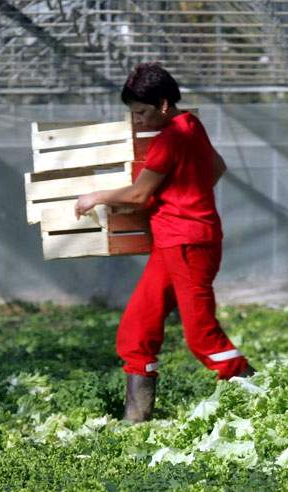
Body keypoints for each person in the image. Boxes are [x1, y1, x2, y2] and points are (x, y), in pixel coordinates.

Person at [74, 63, 252, 423]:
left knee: (202, 338)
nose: (136, 120)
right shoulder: (191, 126)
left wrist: (95, 197)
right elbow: (217, 168)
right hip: (176, 244)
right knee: (136, 330)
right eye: (133, 113)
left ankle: (261, 395)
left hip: (186, 246)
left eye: (142, 112)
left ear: (165, 104)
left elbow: (139, 195)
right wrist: (184, 198)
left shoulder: (169, 140)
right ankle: (135, 419)